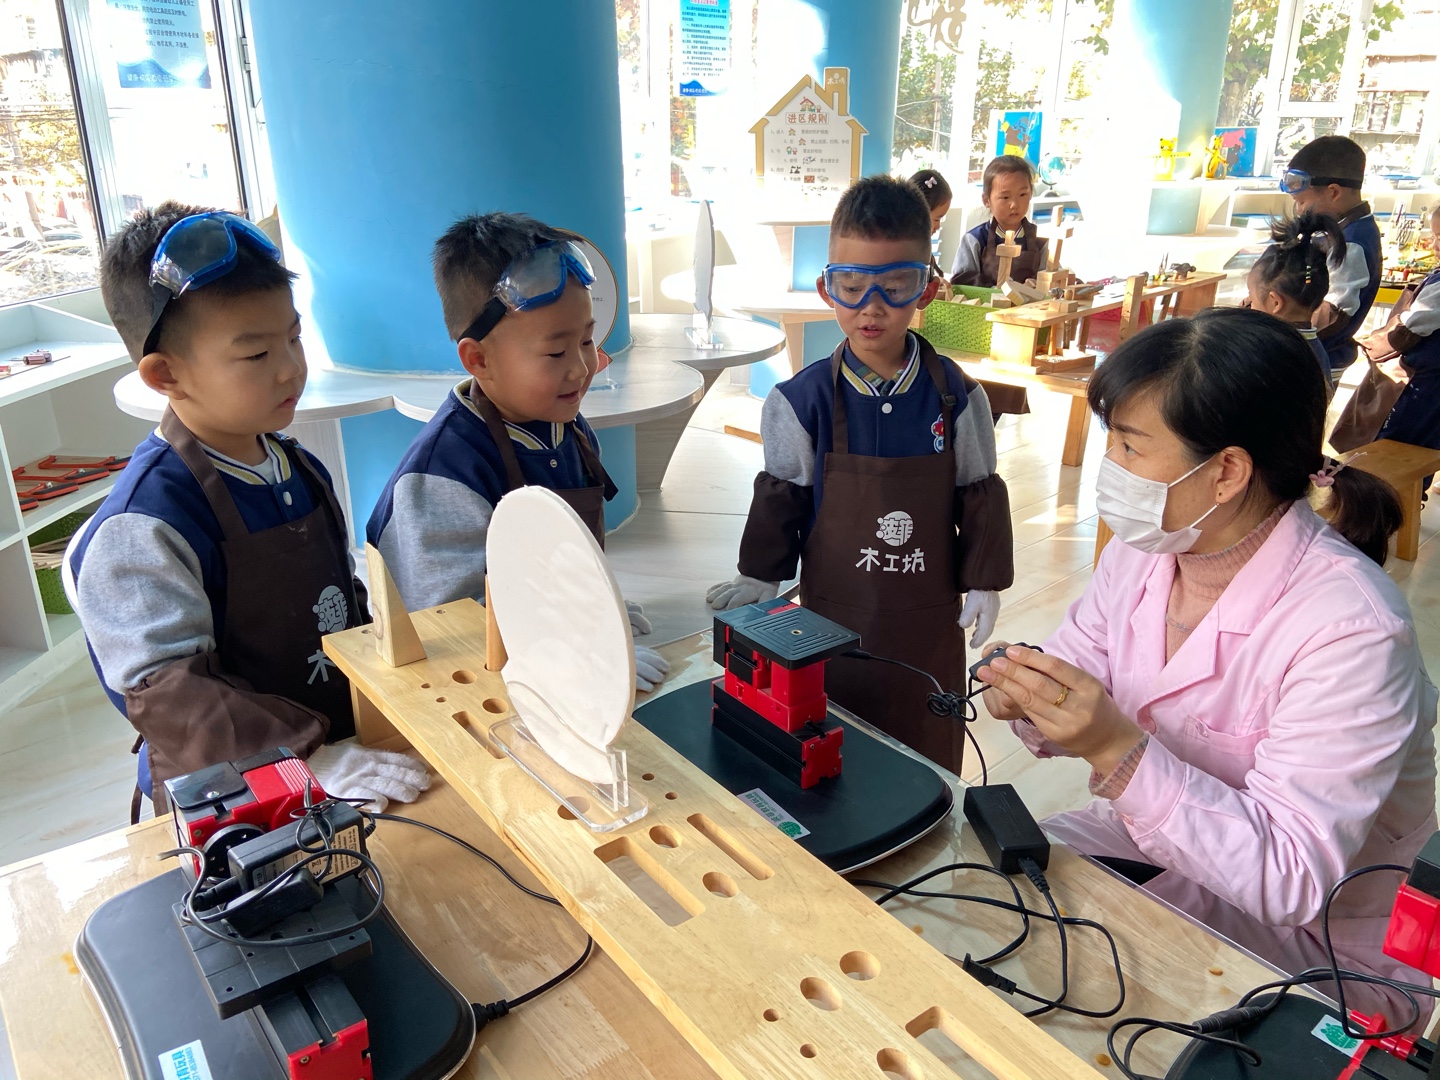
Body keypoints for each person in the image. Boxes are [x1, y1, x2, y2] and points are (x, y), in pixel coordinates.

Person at [978, 307, 1435, 1025]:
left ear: (1225, 472)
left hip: (1321, 949)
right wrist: (1033, 697)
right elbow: (1084, 666)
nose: (1111, 467)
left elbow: (1290, 876)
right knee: (983, 901)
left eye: (1129, 446)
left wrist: (1115, 750)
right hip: (1161, 856)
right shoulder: (1146, 554)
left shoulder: (1353, 630)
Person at [66, 203, 429, 812]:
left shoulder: (297, 466)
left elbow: (339, 605)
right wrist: (304, 758)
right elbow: (174, 698)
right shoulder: (145, 526)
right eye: (256, 355)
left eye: (293, 338)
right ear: (165, 375)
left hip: (347, 755)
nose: (291, 369)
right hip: (240, 790)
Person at [708, 175, 1014, 772]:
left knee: (925, 759)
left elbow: (977, 492)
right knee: (828, 747)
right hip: (829, 622)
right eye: (852, 286)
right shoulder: (800, 402)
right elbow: (785, 496)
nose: (871, 308)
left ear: (926, 289)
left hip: (927, 624)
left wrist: (985, 580)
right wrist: (761, 574)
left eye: (895, 287)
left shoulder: (959, 398)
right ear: (827, 288)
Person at [367, 212, 670, 691]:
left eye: (587, 340)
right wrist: (582, 655)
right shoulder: (443, 478)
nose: (581, 367)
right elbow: (454, 629)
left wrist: (593, 613)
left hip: (544, 652)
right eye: (555, 353)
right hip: (466, 687)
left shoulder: (565, 428)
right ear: (479, 359)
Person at [1284, 135, 1382, 383]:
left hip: (1318, 359)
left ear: (1334, 192)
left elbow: (1336, 311)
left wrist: (1284, 334)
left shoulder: (1350, 243)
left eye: (1301, 201)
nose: (1299, 211)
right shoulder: (1345, 229)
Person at [1246, 211, 1344, 396]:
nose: (1249, 304)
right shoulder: (1315, 350)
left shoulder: (1268, 351)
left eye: (1252, 298)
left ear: (1275, 302)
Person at [1376, 206, 1440, 475]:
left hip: (1425, 380)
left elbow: (1412, 326)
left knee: (1399, 445)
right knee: (1425, 445)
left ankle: (1395, 496)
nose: (1435, 246)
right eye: (1434, 236)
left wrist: (1380, 344)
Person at [949, 156, 1047, 288]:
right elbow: (960, 281)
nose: (1014, 204)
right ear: (986, 200)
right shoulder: (974, 240)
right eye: (1005, 197)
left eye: (1022, 194)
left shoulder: (1039, 241)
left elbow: (1051, 276)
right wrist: (994, 290)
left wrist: (1037, 285)